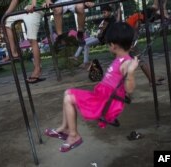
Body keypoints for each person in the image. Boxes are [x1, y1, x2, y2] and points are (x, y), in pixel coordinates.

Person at [44, 22, 139, 152]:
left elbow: (129, 89)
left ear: (114, 46)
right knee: (67, 92)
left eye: (108, 44)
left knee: (68, 98)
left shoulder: (127, 63)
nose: (108, 46)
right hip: (100, 96)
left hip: (106, 103)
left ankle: (73, 136)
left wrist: (131, 72)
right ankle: (64, 128)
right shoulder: (120, 57)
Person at [5, 0, 46, 83]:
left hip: (36, 10)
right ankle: (13, 52)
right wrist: (6, 15)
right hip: (27, 9)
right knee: (6, 21)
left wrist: (33, 4)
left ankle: (38, 69)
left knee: (32, 39)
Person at [126, 12, 165, 85]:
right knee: (141, 61)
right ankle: (152, 80)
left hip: (129, 38)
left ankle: (152, 78)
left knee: (141, 60)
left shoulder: (137, 15)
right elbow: (136, 27)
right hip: (129, 39)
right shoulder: (139, 16)